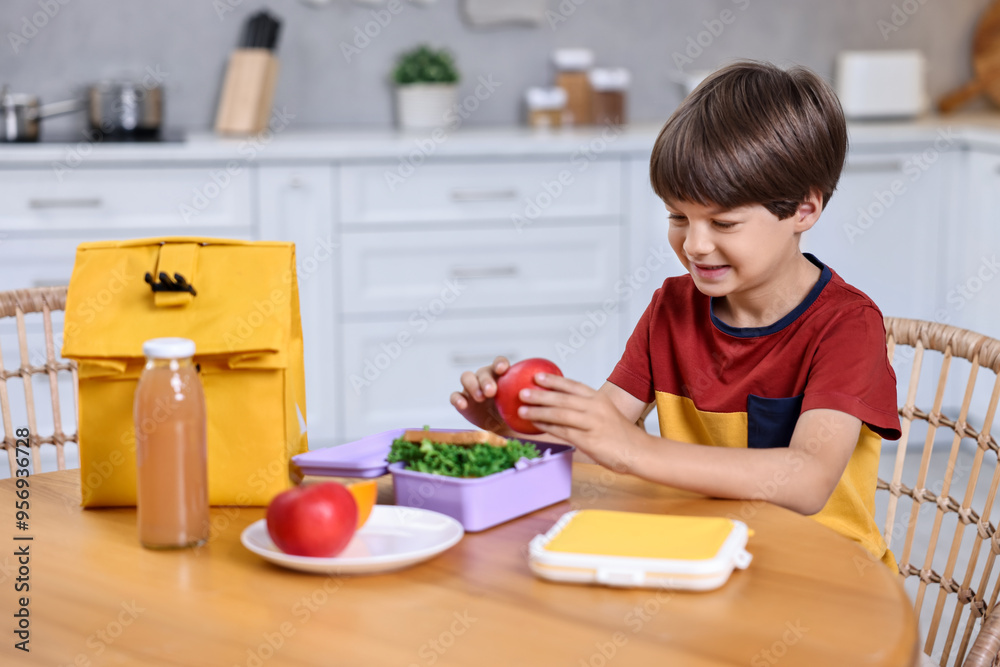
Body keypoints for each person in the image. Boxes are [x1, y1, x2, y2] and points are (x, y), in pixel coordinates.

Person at [450, 60, 902, 570]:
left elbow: (807, 480)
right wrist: (516, 424)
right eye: (677, 216)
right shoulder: (672, 308)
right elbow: (602, 433)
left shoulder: (847, 325)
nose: (694, 244)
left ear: (803, 209)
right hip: (701, 557)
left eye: (724, 222)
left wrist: (633, 450)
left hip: (824, 577)